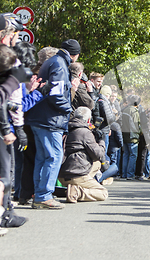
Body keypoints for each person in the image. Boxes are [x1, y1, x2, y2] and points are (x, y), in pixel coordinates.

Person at [25, 39, 81, 209]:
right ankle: (43, 195)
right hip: (50, 120)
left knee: (43, 157)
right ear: (75, 55)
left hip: (41, 118)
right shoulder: (60, 65)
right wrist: (68, 109)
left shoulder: (52, 61)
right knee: (54, 156)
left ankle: (39, 193)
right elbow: (56, 93)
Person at [58, 107, 108, 203]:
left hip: (62, 174)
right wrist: (102, 141)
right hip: (77, 174)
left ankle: (71, 187)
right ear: (88, 119)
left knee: (97, 163)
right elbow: (98, 154)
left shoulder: (67, 128)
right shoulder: (85, 132)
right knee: (103, 193)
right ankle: (77, 192)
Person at [121, 95, 141, 180]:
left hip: (124, 135)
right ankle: (130, 174)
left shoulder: (124, 110)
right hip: (132, 136)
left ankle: (124, 173)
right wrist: (139, 132)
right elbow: (136, 125)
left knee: (126, 155)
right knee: (133, 155)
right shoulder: (134, 112)